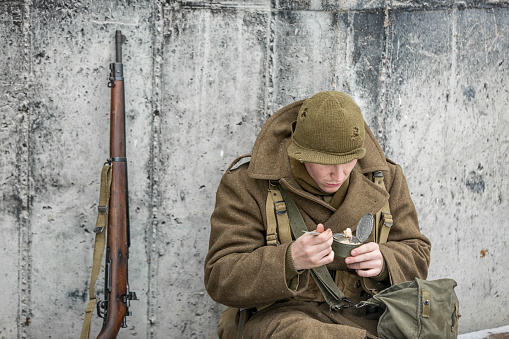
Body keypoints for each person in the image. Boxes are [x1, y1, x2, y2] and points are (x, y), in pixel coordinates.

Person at [204, 91, 431, 338]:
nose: (339, 174)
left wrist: (385, 262)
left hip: (369, 314)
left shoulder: (385, 178)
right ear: (299, 153)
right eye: (325, 163)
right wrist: (290, 259)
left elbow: (417, 253)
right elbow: (221, 276)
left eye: (349, 160)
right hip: (284, 317)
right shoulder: (248, 185)